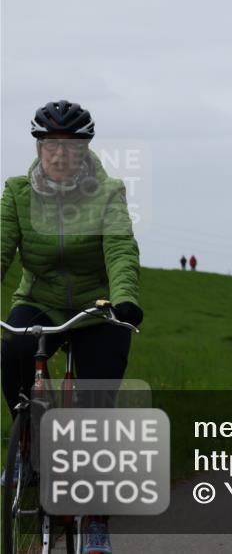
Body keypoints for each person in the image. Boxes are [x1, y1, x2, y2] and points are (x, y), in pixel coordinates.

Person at [0, 100, 143, 554]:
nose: (59, 154)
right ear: (39, 147)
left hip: (96, 305)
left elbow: (120, 249)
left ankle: (97, 523)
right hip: (38, 301)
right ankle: (25, 444)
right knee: (12, 356)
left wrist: (124, 300)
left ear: (85, 149)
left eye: (70, 146)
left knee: (97, 402)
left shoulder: (109, 192)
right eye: (50, 145)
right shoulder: (17, 192)